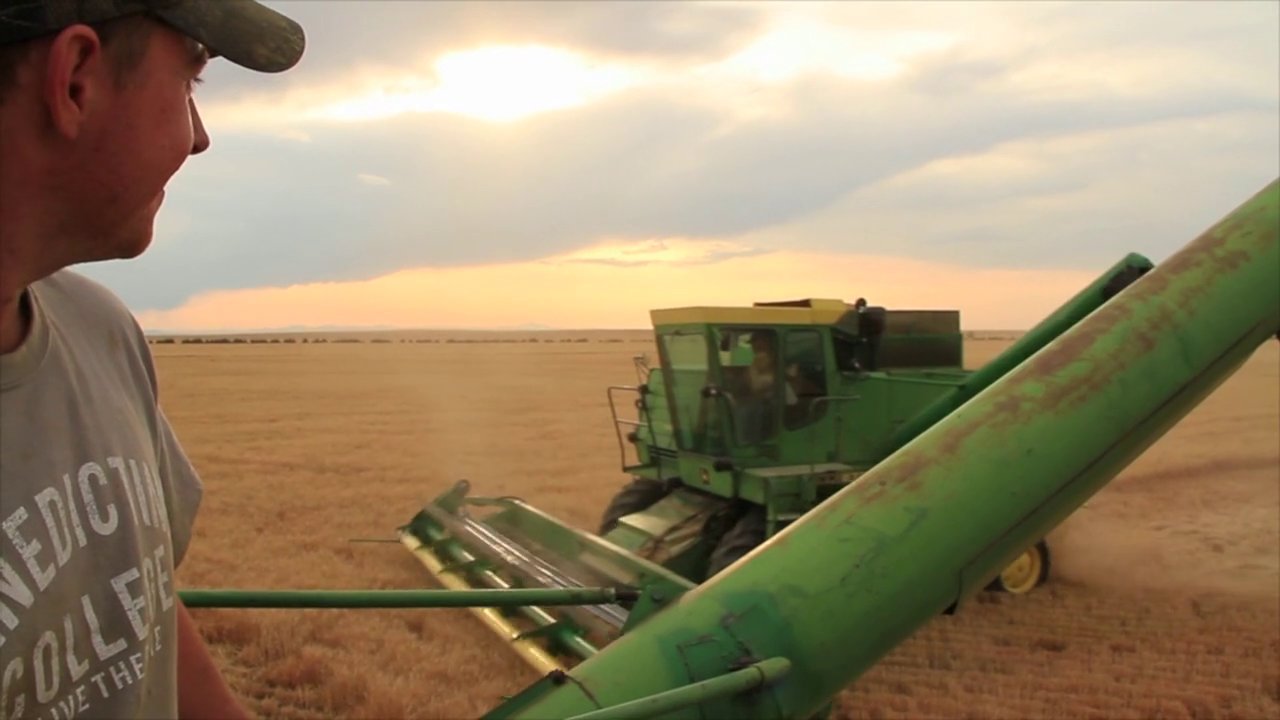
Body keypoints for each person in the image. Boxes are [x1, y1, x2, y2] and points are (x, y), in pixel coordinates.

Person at [0, 1, 304, 718]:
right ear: (75, 79)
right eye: (191, 80)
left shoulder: (99, 330)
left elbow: (135, 611)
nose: (198, 139)